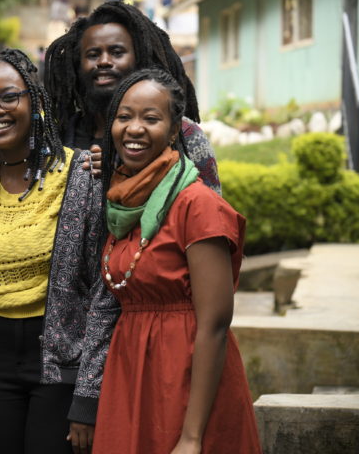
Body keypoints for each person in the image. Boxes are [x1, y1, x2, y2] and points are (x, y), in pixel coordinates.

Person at [92, 68, 261, 453]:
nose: (134, 128)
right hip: (132, 372)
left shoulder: (196, 205)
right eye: (124, 116)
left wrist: (192, 436)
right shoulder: (123, 202)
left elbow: (215, 325)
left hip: (187, 379)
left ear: (173, 132)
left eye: (151, 118)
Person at [0, 48, 117, 454]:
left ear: (35, 101)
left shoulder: (81, 174)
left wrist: (87, 394)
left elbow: (104, 292)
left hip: (59, 364)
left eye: (8, 96)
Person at [44, 1, 221, 193]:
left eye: (117, 52)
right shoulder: (56, 138)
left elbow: (207, 205)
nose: (104, 61)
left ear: (140, 57)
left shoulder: (184, 134)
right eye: (93, 54)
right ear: (78, 64)